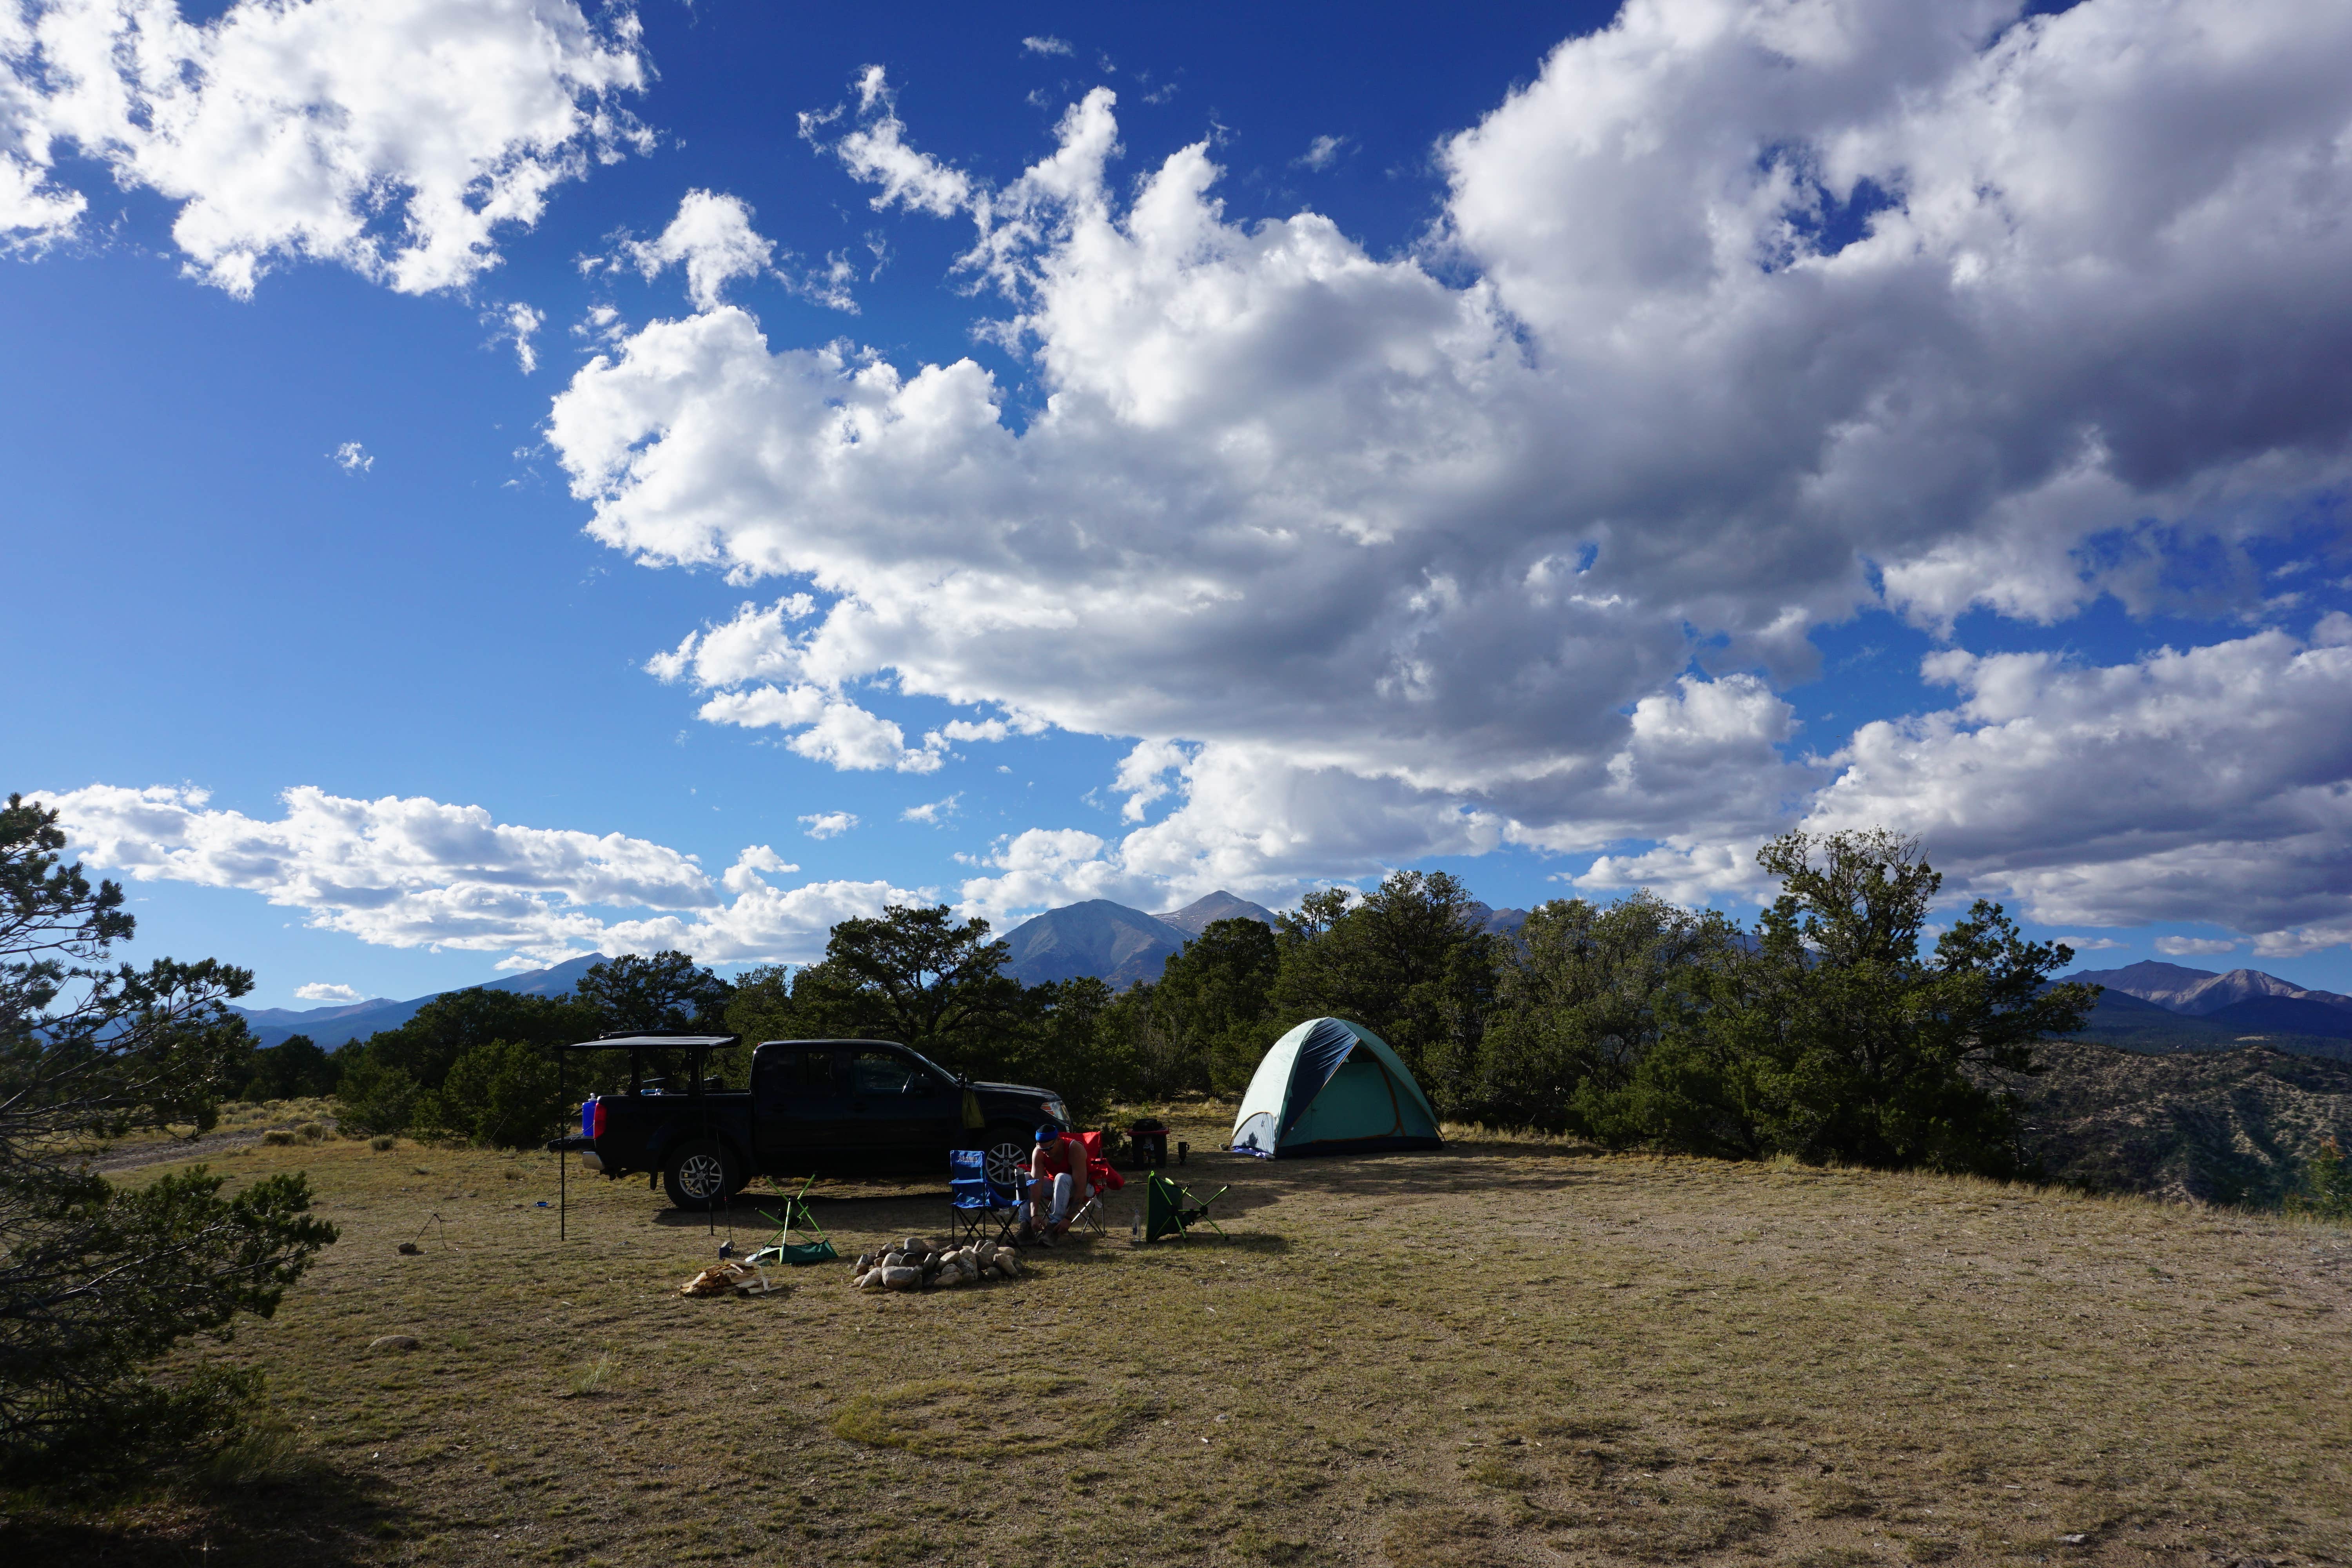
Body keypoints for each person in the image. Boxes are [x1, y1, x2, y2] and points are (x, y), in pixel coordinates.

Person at [1023, 1123, 1091, 1245]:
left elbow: (1081, 1188)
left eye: (1049, 1148)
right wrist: (1034, 1215)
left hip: (1082, 1187)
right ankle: (1027, 1227)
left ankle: (1053, 1228)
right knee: (1026, 1178)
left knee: (1062, 1177)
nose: (1046, 1153)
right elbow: (1036, 1184)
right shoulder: (1039, 1152)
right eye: (1043, 1150)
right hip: (1057, 1186)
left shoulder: (1075, 1149)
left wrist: (1068, 1218)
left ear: (1058, 1140)